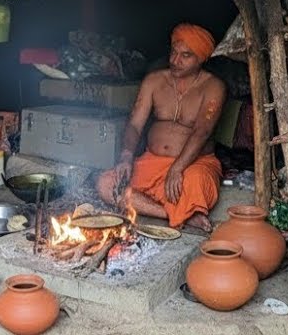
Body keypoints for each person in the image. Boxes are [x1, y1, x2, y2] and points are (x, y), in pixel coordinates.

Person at [96, 24, 226, 232]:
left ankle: (173, 208)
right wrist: (126, 156)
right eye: (174, 52)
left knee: (196, 182)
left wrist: (177, 168)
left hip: (193, 164)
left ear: (202, 58)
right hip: (151, 162)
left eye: (186, 56)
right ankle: (176, 213)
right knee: (106, 184)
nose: (175, 60)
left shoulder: (213, 87)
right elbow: (135, 124)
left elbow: (202, 131)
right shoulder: (155, 81)